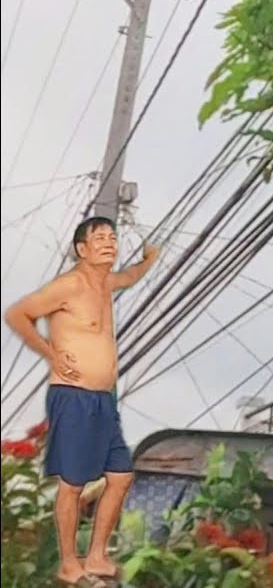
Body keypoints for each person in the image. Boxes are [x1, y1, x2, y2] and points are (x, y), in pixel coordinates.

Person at [4, 217, 159, 587]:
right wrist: (50, 353)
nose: (109, 243)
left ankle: (97, 556)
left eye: (112, 237)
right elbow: (16, 314)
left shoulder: (105, 283)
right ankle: (69, 563)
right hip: (72, 397)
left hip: (103, 400)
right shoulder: (68, 286)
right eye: (99, 238)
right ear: (81, 249)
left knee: (120, 476)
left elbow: (131, 276)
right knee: (72, 484)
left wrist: (149, 259)